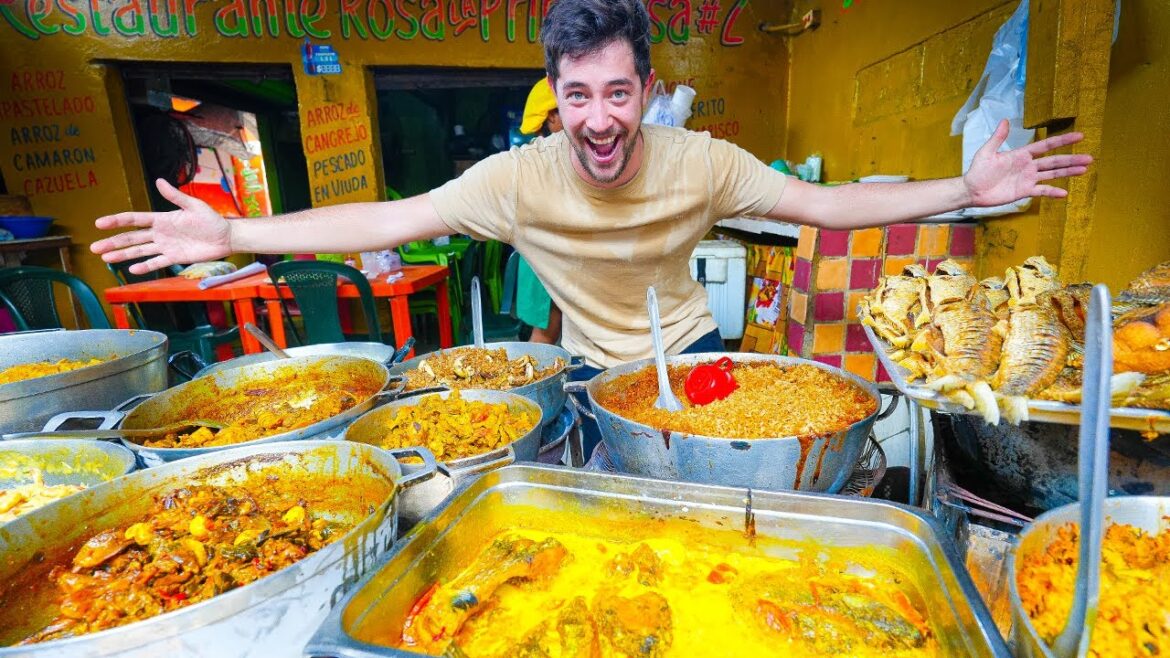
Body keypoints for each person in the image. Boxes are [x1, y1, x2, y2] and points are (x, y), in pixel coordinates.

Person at [92, 0, 1091, 455]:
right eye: (580, 95)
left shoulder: (703, 160)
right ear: (557, 97)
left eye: (619, 92)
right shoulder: (515, 179)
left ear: (647, 91)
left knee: (708, 493)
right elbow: (391, 214)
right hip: (582, 367)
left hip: (697, 351)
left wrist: (964, 187)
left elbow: (830, 208)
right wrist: (236, 238)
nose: (600, 117)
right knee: (605, 487)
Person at [516, 78, 564, 345]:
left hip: (543, 256)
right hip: (545, 258)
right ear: (553, 116)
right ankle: (534, 386)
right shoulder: (544, 157)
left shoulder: (541, 153)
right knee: (546, 332)